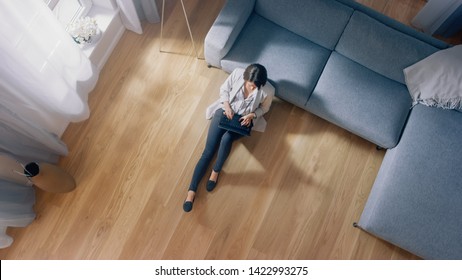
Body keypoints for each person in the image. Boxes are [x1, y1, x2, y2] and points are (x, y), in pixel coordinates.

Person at [183, 63, 274, 212]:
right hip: (225, 112)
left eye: (255, 86)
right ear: (245, 78)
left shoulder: (268, 91)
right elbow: (224, 90)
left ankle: (216, 171)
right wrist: (226, 106)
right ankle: (191, 191)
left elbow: (265, 108)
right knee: (208, 151)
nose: (252, 88)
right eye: (250, 85)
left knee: (226, 139)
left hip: (242, 120)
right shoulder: (238, 73)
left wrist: (252, 114)